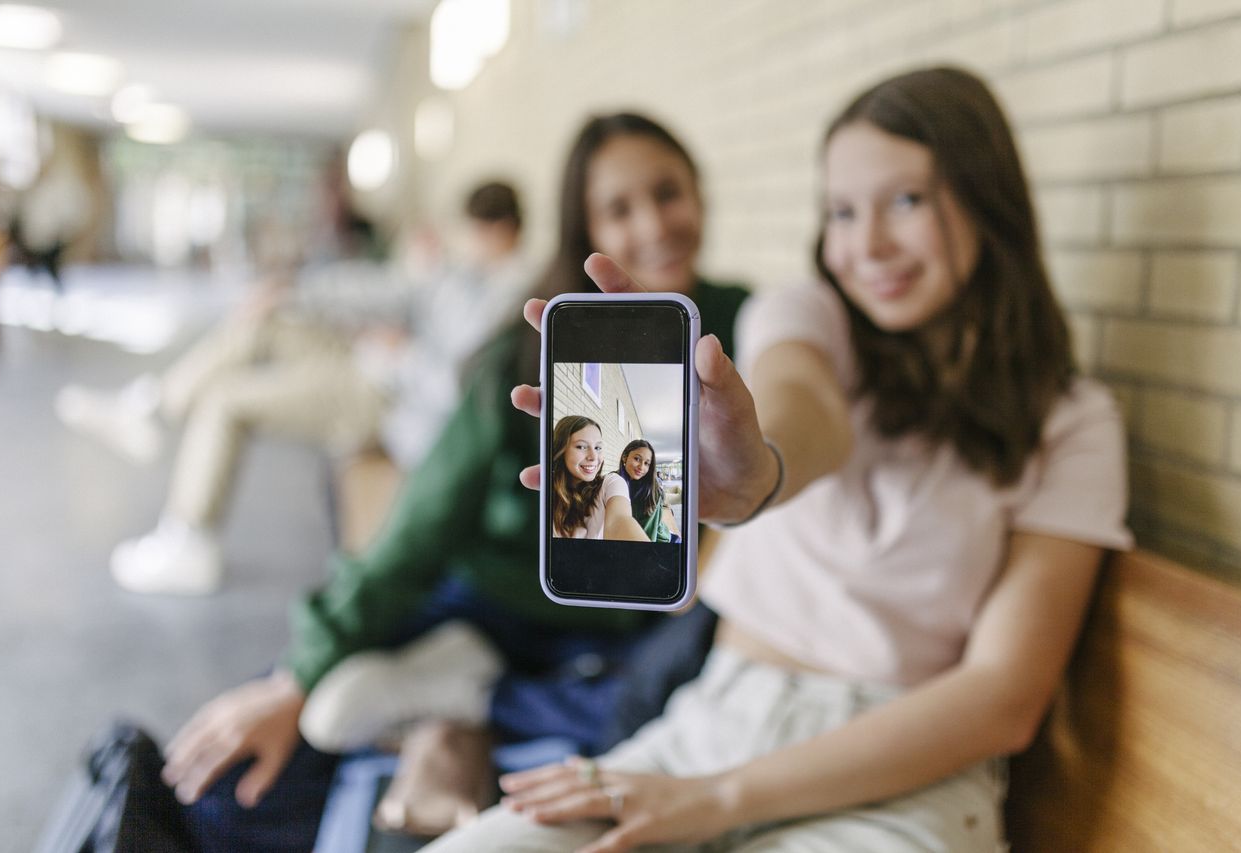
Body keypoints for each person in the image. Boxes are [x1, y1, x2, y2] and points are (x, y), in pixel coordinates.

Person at [425, 65, 1132, 853]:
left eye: (907, 201)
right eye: (841, 210)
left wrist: (717, 800)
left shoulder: (1073, 422)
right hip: (711, 724)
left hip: (893, 779)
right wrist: (755, 471)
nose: (866, 245)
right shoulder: (806, 314)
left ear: (986, 198)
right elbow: (807, 412)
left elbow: (1004, 696)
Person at [157, 112, 750, 852]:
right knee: (231, 796)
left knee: (674, 721)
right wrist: (296, 676)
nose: (654, 224)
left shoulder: (746, 324)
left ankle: (467, 701)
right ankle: (467, 697)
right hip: (486, 601)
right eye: (619, 208)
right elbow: (428, 514)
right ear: (583, 227)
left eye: (669, 193)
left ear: (700, 194)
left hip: (633, 631)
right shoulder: (533, 339)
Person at [56, 180, 532, 595]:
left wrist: (400, 352)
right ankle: (155, 408)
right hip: (369, 363)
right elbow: (390, 290)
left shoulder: (510, 298)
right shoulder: (461, 275)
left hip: (388, 400)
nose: (464, 242)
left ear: (500, 231)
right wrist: (295, 288)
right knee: (268, 319)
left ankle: (191, 539)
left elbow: (461, 390)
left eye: (473, 232)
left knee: (227, 401)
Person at [551, 415, 647, 541]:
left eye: (598, 448)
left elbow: (619, 522)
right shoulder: (545, 490)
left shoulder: (611, 483)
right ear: (561, 449)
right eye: (581, 447)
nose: (594, 457)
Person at [616, 438, 677, 543]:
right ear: (625, 457)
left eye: (647, 463)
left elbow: (649, 536)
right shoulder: (611, 481)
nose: (641, 467)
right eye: (637, 459)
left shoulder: (654, 492)